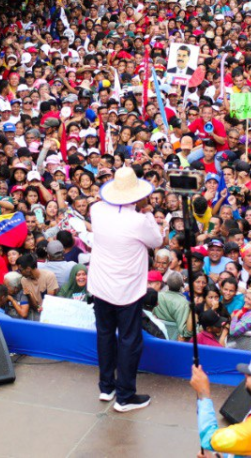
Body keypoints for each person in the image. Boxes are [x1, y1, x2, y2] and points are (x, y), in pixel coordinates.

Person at [87, 167, 162, 412]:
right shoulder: (139, 220)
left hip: (101, 285)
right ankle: (125, 396)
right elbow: (157, 241)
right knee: (130, 340)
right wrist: (148, 212)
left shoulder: (96, 210)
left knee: (105, 335)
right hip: (128, 290)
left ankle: (106, 387)